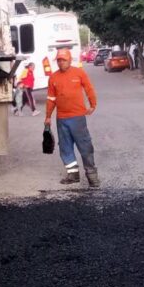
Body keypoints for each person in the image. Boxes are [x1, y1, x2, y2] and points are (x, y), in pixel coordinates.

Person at [44, 48, 99, 187]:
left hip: (77, 118)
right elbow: (51, 98)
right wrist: (48, 116)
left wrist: (93, 104)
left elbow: (89, 88)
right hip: (61, 119)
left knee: (85, 146)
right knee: (65, 147)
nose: (61, 63)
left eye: (64, 60)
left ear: (69, 60)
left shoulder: (79, 73)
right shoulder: (53, 77)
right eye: (59, 60)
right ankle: (73, 175)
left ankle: (92, 176)